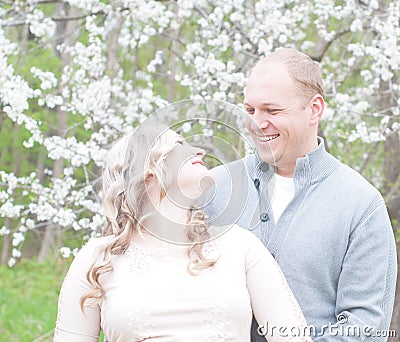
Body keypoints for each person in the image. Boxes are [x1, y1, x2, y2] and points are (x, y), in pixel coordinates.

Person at [54, 123, 312, 341]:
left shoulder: (240, 245)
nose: (199, 150)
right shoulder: (98, 259)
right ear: (147, 170)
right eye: (179, 145)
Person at [206, 48, 397, 341]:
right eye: (250, 110)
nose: (257, 123)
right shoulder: (213, 190)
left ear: (314, 109)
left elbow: (364, 329)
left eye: (272, 110)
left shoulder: (361, 205)